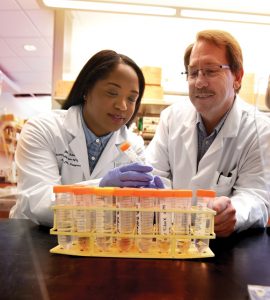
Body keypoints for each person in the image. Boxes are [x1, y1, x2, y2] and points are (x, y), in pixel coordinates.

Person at [10, 49, 163, 226]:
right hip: (34, 240)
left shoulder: (132, 145)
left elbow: (129, 217)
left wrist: (149, 203)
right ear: (86, 90)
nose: (122, 106)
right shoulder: (43, 129)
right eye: (112, 93)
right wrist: (100, 191)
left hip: (95, 242)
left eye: (131, 98)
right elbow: (39, 204)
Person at [146, 29, 270, 237]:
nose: (200, 82)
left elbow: (255, 196)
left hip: (225, 250)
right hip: (171, 239)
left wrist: (233, 212)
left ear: (237, 77)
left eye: (211, 71)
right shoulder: (171, 118)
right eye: (193, 72)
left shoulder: (259, 129)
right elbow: (154, 176)